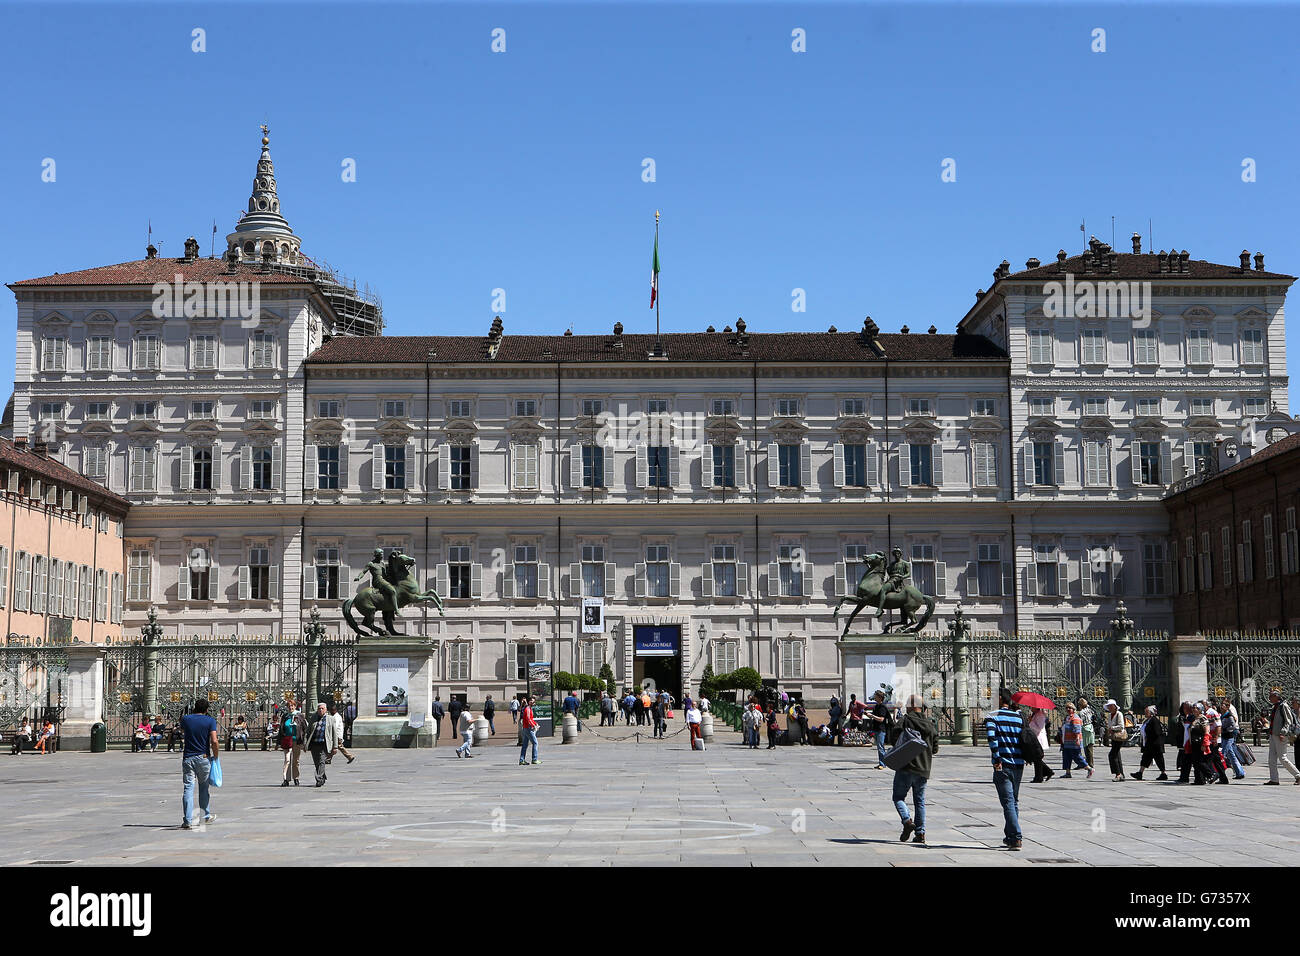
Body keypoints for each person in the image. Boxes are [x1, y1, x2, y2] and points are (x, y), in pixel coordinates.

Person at [893, 695, 939, 846]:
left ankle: (907, 820)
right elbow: (935, 749)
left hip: (905, 766)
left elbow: (893, 737)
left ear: (913, 706)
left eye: (907, 705)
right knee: (920, 802)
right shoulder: (930, 724)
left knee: (898, 797)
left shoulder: (905, 720)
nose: (906, 707)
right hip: (923, 768)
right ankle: (920, 833)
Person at [986, 688, 1025, 851]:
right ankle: (1010, 836)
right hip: (1018, 763)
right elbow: (1024, 738)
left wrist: (996, 759)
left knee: (1008, 802)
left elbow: (992, 739)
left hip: (1003, 764)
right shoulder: (1018, 717)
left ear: (1000, 698)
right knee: (1013, 801)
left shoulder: (992, 716)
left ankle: (1016, 837)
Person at [179, 698, 219, 829]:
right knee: (203, 787)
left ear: (194, 707)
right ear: (206, 710)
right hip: (203, 757)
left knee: (188, 788)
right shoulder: (210, 721)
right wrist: (216, 756)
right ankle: (206, 815)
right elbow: (214, 741)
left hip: (188, 757)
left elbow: (183, 732)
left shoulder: (186, 719)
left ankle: (187, 820)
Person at [1264, 690, 1300, 785]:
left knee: (1283, 758)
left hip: (1280, 735)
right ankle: (1274, 779)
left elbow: (1288, 721)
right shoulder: (1275, 706)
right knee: (1271, 759)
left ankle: (1298, 775)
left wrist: (1283, 732)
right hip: (1273, 735)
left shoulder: (1283, 706)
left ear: (1276, 696)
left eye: (1271, 696)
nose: (1269, 698)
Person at [305, 702, 338, 787]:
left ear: (326, 710)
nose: (320, 710)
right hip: (314, 744)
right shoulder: (313, 718)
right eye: (319, 709)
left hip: (324, 744)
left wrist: (335, 746)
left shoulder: (330, 719)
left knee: (321, 761)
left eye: (322, 708)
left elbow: (334, 733)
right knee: (317, 763)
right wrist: (305, 743)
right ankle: (322, 777)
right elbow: (308, 731)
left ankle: (318, 778)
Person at [1130, 706, 1167, 780]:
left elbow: (1157, 732)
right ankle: (1140, 773)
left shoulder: (1154, 720)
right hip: (1149, 744)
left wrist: (1149, 737)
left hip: (1155, 744)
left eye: (1147, 712)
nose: (1145, 713)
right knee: (1145, 758)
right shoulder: (1148, 720)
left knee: (1159, 759)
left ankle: (1163, 774)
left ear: (1151, 712)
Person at [1059, 702, 1092, 778]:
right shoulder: (1067, 717)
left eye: (1070, 708)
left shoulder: (1075, 718)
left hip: (1073, 741)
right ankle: (1068, 772)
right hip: (1067, 741)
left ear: (1073, 709)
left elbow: (1077, 729)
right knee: (1066, 757)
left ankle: (1089, 768)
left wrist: (1077, 739)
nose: (1068, 709)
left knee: (1077, 757)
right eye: (1067, 708)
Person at [1217, 697, 1245, 779]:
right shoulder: (1222, 715)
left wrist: (1224, 729)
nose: (1221, 706)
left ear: (1227, 706)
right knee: (1231, 755)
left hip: (1229, 737)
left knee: (1223, 754)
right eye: (1221, 704)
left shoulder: (1229, 715)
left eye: (1223, 705)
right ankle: (1240, 772)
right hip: (1224, 736)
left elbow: (1233, 726)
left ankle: (1219, 774)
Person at [1027, 707, 1055, 783]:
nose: (1030, 708)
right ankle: (1045, 773)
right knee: (1036, 758)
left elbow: (1039, 728)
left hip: (1039, 739)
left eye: (1031, 707)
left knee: (1037, 758)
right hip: (1035, 738)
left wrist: (1031, 721)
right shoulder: (1035, 714)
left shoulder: (1040, 715)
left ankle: (1040, 776)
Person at [280, 705, 304, 787]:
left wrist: (303, 740)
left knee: (295, 761)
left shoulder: (299, 716)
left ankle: (296, 778)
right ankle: (286, 779)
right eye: (289, 706)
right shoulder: (285, 716)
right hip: (287, 741)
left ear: (295, 707)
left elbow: (304, 727)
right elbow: (281, 728)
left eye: (292, 706)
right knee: (287, 760)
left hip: (296, 741)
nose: (291, 708)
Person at [1103, 700, 1127, 781]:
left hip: (1119, 736)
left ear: (1114, 706)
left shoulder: (1119, 714)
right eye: (1108, 706)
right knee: (1117, 755)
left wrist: (1112, 728)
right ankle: (1121, 774)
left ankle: (1118, 774)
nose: (1109, 707)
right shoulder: (1110, 715)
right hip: (1114, 737)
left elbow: (1121, 726)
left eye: (1110, 706)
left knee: (1112, 755)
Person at [869, 690, 891, 769]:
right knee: (879, 747)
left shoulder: (882, 707)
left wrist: (872, 716)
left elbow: (881, 719)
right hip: (876, 728)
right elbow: (874, 717)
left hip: (881, 729)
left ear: (880, 697)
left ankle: (883, 763)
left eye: (875, 695)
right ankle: (881, 763)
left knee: (881, 747)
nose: (874, 697)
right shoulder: (876, 706)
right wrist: (868, 715)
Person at [519, 696, 540, 765]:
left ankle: (522, 760)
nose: (532, 702)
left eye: (533, 701)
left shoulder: (529, 708)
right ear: (529, 702)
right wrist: (533, 725)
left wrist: (535, 724)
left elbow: (531, 719)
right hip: (528, 728)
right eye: (531, 701)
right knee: (535, 743)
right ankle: (534, 759)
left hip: (526, 728)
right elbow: (528, 719)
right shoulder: (528, 709)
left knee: (525, 745)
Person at [1076, 698, 1096, 770]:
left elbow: (1080, 722)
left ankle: (1088, 763)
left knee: (1085, 747)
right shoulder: (1090, 710)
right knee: (1090, 746)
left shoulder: (1081, 712)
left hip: (1085, 728)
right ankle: (1090, 762)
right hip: (1090, 727)